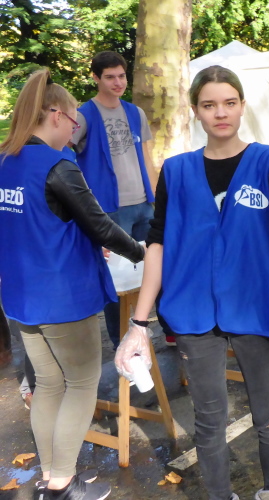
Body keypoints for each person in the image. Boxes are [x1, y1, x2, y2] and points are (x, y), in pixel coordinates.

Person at [115, 65, 269, 500]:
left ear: (241, 106)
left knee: (268, 414)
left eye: (229, 103)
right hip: (193, 311)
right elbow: (158, 243)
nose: (220, 113)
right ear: (196, 111)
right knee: (209, 420)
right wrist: (138, 323)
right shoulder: (176, 171)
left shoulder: (267, 160)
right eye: (209, 105)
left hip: (254, 305)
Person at [0, 68, 145, 499]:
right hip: (63, 296)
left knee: (48, 385)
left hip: (20, 296)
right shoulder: (57, 164)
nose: (75, 130)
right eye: (74, 120)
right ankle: (63, 484)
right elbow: (99, 224)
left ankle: (52, 476)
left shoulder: (5, 161)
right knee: (81, 383)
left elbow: (41, 221)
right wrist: (142, 253)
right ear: (56, 115)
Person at [70, 51, 161, 349]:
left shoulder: (136, 113)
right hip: (109, 210)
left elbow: (146, 158)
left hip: (144, 205)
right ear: (95, 78)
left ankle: (169, 329)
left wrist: (157, 199)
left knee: (158, 267)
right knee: (117, 282)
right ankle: (120, 339)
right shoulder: (83, 115)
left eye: (121, 76)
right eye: (110, 77)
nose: (118, 82)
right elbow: (63, 154)